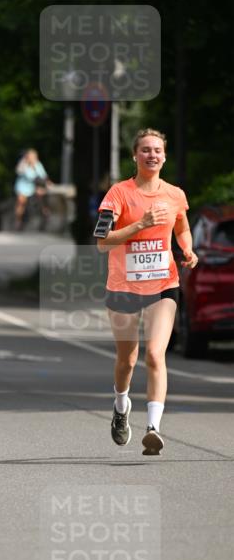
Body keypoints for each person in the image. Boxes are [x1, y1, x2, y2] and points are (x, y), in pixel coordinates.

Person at [94, 128, 198, 456]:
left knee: (155, 354)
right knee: (128, 359)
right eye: (145, 150)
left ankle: (153, 428)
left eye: (157, 150)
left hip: (163, 284)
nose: (152, 155)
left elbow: (182, 226)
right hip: (123, 286)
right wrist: (141, 223)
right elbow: (101, 242)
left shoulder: (175, 194)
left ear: (164, 157)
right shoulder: (117, 194)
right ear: (134, 156)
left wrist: (187, 249)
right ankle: (121, 405)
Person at [14, 148, 51, 231]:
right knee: (21, 201)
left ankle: (44, 218)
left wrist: (47, 183)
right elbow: (26, 174)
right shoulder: (23, 163)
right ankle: (18, 221)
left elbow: (43, 176)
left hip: (33, 187)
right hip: (23, 187)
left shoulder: (38, 164)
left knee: (42, 195)